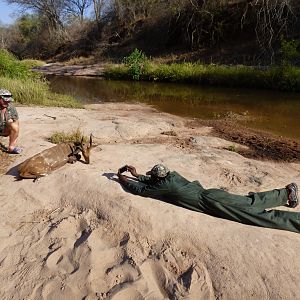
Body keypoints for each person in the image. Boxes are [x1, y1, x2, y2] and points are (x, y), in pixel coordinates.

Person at [117, 164, 300, 233]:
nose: (152, 177)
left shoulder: (163, 184)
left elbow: (141, 191)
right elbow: (153, 181)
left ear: (160, 177)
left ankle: (295, 218)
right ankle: (286, 193)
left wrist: (123, 178)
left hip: (211, 203)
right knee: (249, 202)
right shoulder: (172, 176)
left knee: (256, 216)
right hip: (212, 194)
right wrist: (138, 174)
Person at [0, 89, 22, 154]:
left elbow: (16, 122)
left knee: (14, 126)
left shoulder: (11, 107)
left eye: (8, 101)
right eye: (5, 101)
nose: (7, 102)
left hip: (3, 129)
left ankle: (11, 147)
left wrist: (15, 134)